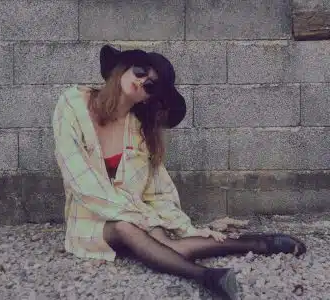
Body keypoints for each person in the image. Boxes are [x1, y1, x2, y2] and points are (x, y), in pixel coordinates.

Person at [52, 44, 307, 300]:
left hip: (134, 214)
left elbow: (157, 193)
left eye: (150, 85)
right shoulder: (74, 104)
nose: (141, 82)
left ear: (148, 98)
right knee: (124, 227)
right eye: (140, 71)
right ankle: (207, 277)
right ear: (123, 68)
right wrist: (138, 217)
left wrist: (185, 228)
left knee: (172, 246)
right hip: (89, 218)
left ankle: (256, 243)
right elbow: (79, 180)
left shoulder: (139, 133)